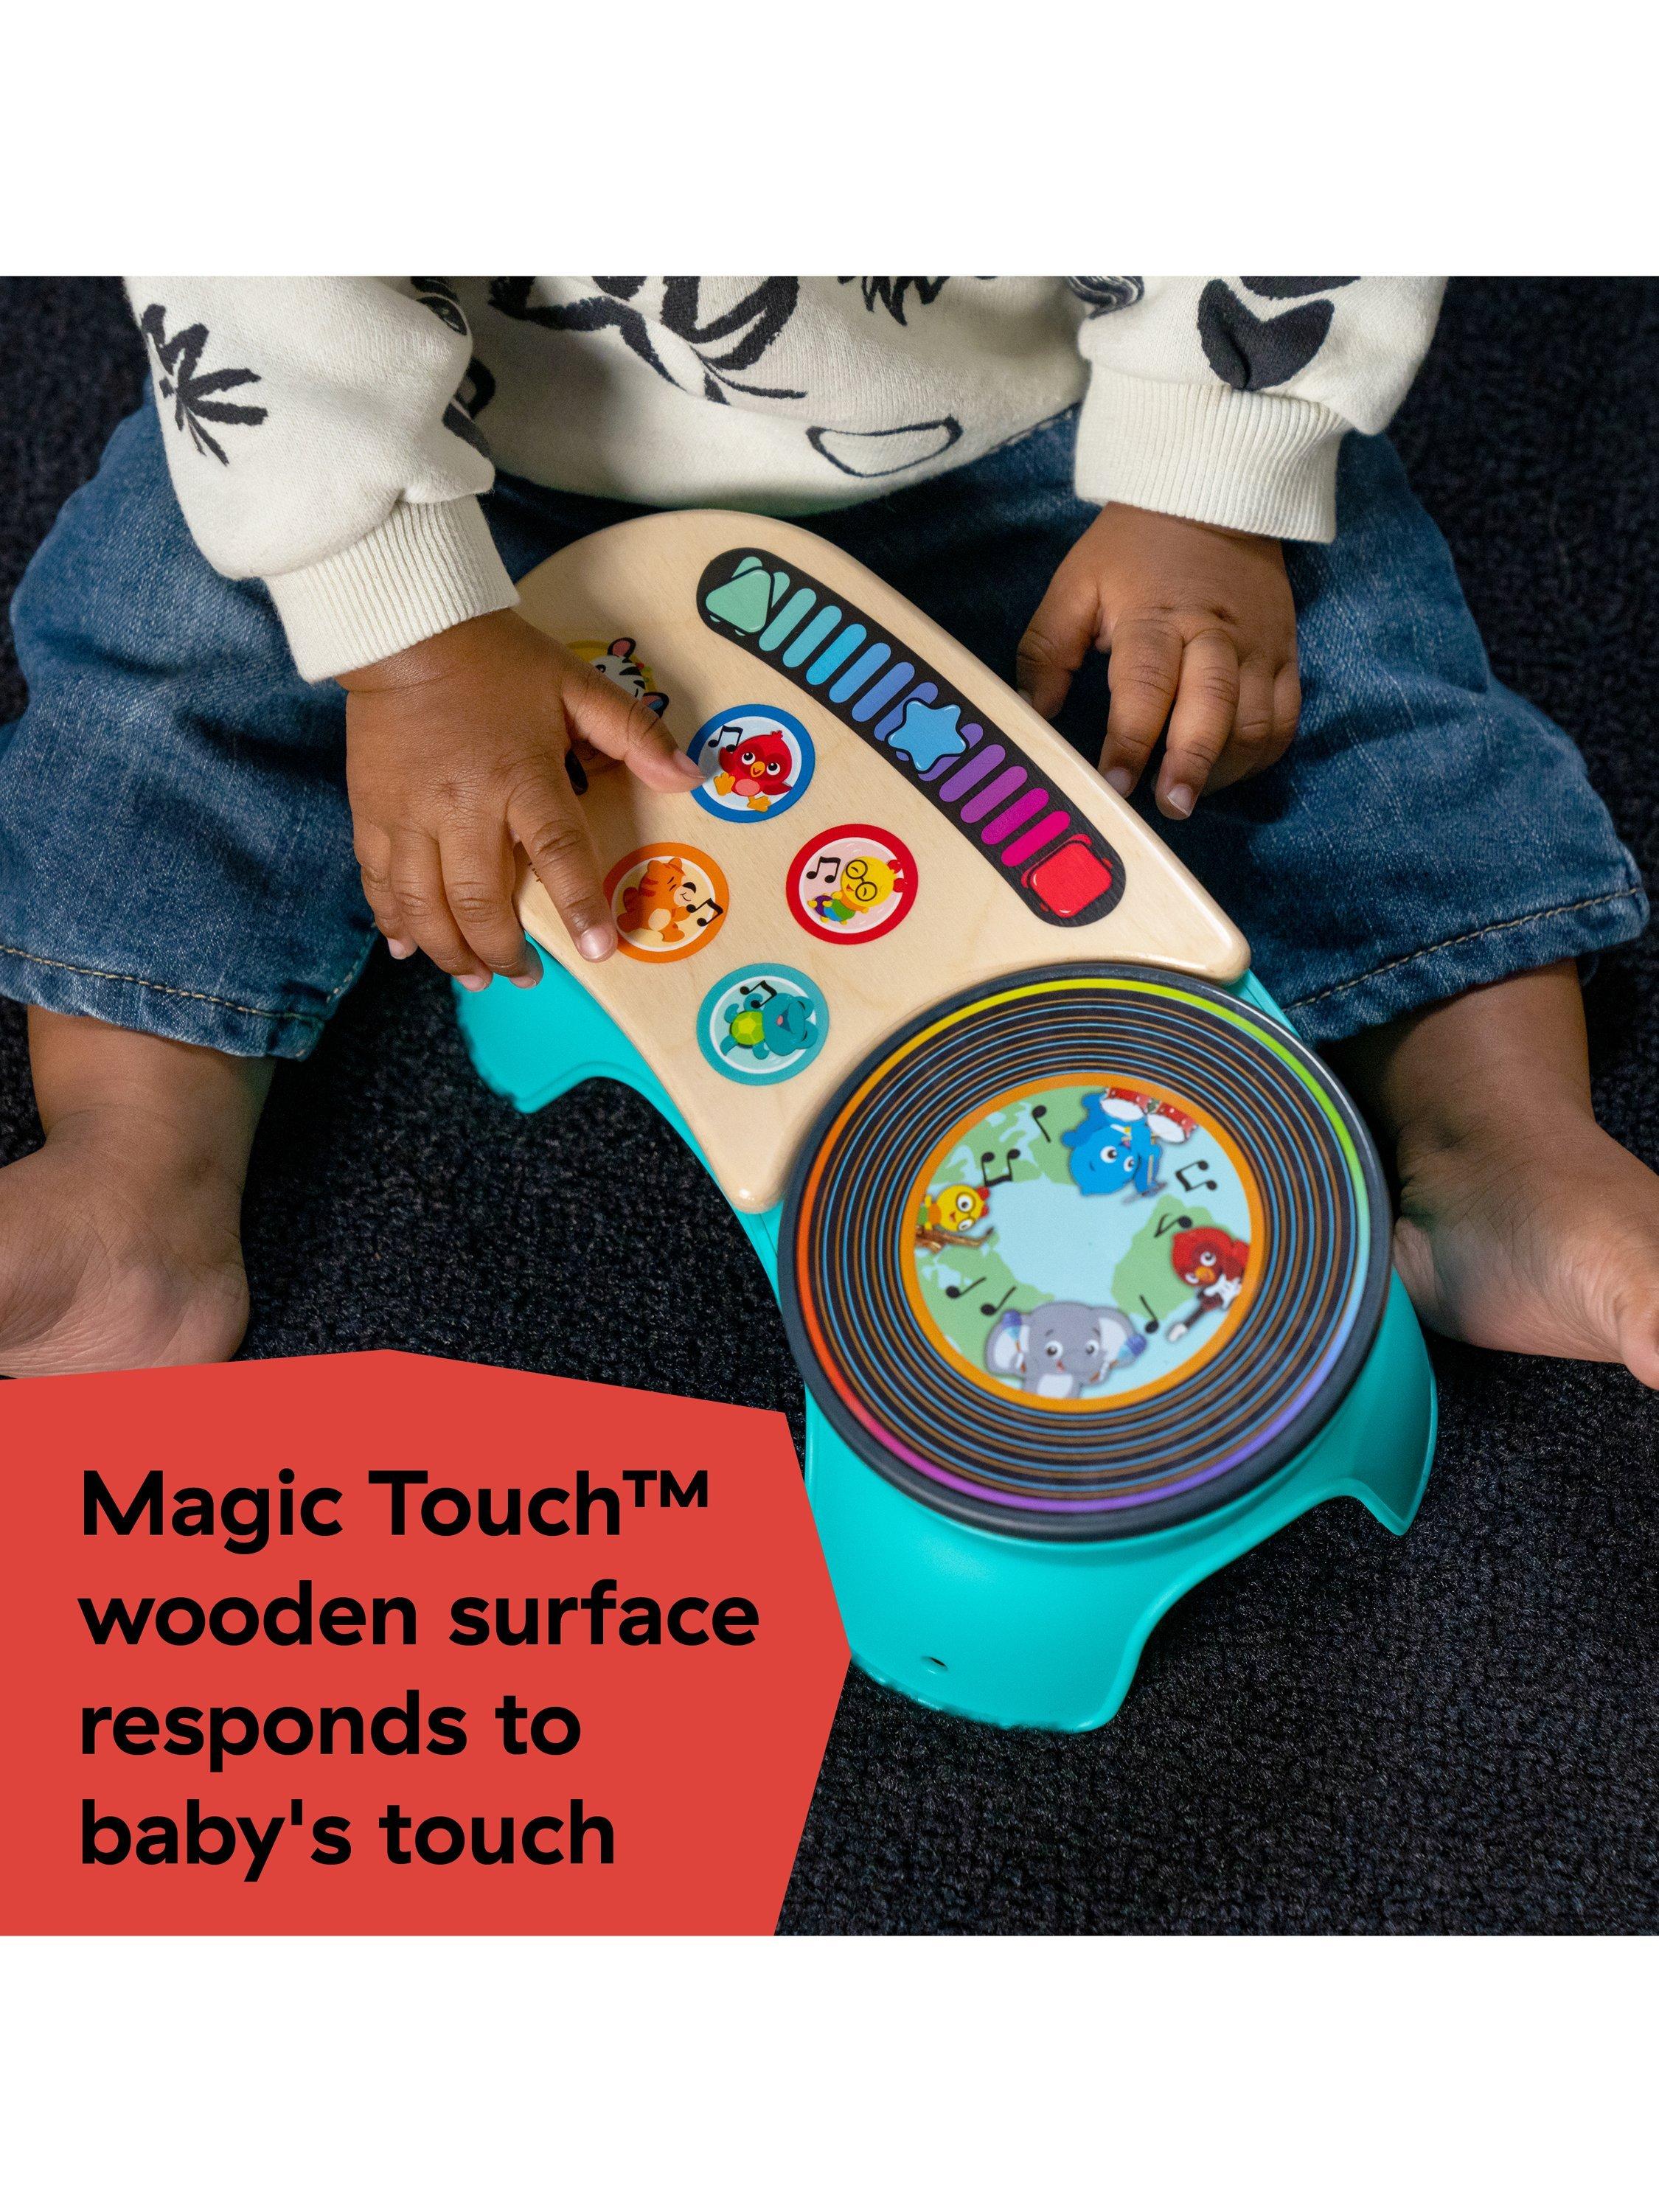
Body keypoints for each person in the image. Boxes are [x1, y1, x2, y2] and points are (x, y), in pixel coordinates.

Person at [0, 276, 1652, 1382]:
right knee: (165, 642)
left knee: (1334, 656)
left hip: (1050, 423)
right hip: (438, 448)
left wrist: (1212, 474)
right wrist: (404, 632)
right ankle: (138, 1176)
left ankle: (1495, 1145)